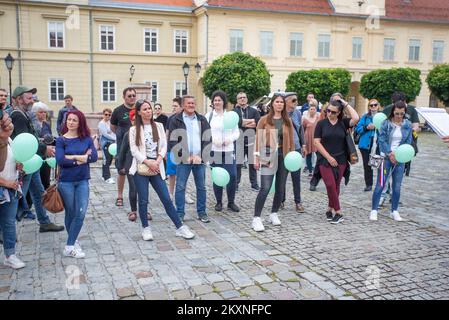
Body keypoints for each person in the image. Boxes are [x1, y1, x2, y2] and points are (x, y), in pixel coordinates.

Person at [129, 99, 195, 240]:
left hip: (157, 168)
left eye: (149, 108)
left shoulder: (158, 126)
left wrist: (158, 161)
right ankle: (145, 228)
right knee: (143, 200)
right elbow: (134, 150)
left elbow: (164, 145)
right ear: (139, 112)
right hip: (141, 168)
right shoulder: (134, 130)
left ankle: (180, 227)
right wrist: (148, 162)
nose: (148, 111)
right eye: (145, 109)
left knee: (166, 198)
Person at [10, 86, 64, 232]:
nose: (32, 101)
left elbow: (32, 137)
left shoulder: (23, 114)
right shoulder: (17, 115)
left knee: (39, 192)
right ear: (18, 99)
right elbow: (25, 141)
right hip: (26, 162)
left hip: (31, 162)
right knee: (18, 197)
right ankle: (6, 229)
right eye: (28, 98)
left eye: (32, 98)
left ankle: (44, 222)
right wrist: (44, 149)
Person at [56, 110, 98, 258]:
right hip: (66, 182)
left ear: (80, 122)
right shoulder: (61, 140)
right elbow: (61, 160)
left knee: (80, 212)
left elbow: (93, 157)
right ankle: (73, 242)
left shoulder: (86, 139)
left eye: (74, 120)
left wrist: (71, 157)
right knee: (71, 212)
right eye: (69, 120)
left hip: (82, 180)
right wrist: (80, 158)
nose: (71, 122)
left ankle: (69, 245)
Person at [251, 93, 295, 232]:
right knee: (265, 187)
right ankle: (256, 218)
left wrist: (292, 156)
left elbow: (292, 141)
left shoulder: (288, 121)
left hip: (284, 155)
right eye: (277, 102)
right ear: (272, 104)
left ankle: (274, 213)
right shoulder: (264, 120)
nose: (279, 104)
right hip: (268, 154)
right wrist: (256, 157)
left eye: (281, 102)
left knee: (280, 188)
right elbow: (258, 139)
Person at [314, 94, 359, 224]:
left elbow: (356, 118)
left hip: (341, 159)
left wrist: (345, 103)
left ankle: (329, 209)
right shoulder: (321, 124)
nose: (330, 113)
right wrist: (328, 157)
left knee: (336, 186)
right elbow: (317, 142)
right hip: (324, 160)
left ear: (339, 112)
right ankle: (338, 212)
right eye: (328, 110)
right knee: (329, 184)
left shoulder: (343, 123)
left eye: (333, 112)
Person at [168, 95, 212, 223]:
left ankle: (202, 212)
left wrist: (201, 156)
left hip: (199, 159)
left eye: (193, 103)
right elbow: (173, 140)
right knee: (181, 186)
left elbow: (208, 139)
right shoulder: (176, 120)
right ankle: (180, 213)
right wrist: (185, 156)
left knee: (201, 187)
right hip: (184, 160)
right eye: (189, 103)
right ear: (183, 105)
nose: (191, 105)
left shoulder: (202, 119)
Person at [370, 101, 413, 222]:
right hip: (386, 158)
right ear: (393, 112)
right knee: (381, 184)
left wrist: (398, 155)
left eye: (401, 114)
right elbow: (382, 140)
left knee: (397, 186)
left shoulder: (407, 124)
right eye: (397, 113)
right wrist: (390, 153)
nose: (399, 116)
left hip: (400, 159)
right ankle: (374, 210)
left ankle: (394, 211)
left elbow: (408, 142)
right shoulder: (386, 124)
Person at [205, 90, 240, 213]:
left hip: (229, 150)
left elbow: (237, 132)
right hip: (215, 151)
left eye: (219, 100)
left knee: (232, 175)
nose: (217, 102)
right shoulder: (208, 116)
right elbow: (205, 133)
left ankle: (231, 202)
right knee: (218, 176)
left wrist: (229, 139)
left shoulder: (230, 116)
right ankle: (219, 201)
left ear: (224, 102)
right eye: (215, 100)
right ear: (212, 102)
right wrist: (214, 140)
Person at [0, 107, 25, 269]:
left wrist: (19, 165)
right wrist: (6, 183)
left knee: (9, 223)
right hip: (5, 186)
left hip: (11, 189)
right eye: (6, 120)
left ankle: (10, 255)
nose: (9, 122)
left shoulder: (9, 140)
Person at [117, 109, 152, 222]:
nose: (134, 122)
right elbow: (122, 151)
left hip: (143, 163)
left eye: (135, 120)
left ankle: (144, 210)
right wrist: (120, 166)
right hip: (130, 164)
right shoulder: (129, 133)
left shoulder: (145, 132)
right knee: (133, 188)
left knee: (144, 189)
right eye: (132, 120)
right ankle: (133, 210)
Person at [382, 91, 420, 176]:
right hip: (389, 144)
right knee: (385, 172)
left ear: (405, 101)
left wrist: (409, 130)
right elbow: (380, 123)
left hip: (405, 143)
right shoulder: (388, 109)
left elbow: (416, 126)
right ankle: (387, 186)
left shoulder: (411, 109)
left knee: (399, 170)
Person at [110, 87, 136, 208]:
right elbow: (113, 127)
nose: (132, 97)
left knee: (137, 172)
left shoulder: (139, 109)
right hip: (123, 146)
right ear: (124, 97)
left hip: (137, 146)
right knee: (122, 171)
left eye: (133, 95)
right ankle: (119, 196)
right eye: (129, 95)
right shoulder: (118, 111)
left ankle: (137, 196)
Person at [280, 92, 306, 213]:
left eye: (296, 100)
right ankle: (281, 200)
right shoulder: (279, 113)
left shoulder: (297, 113)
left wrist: (303, 145)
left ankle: (298, 202)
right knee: (282, 177)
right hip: (284, 150)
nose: (296, 103)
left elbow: (300, 130)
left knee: (296, 178)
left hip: (296, 149)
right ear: (286, 101)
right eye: (293, 100)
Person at [234, 91, 260, 191]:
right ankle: (235, 184)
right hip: (239, 140)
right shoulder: (234, 112)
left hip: (251, 140)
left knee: (252, 163)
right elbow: (235, 123)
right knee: (238, 164)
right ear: (237, 100)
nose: (242, 99)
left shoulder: (254, 111)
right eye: (240, 98)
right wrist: (249, 121)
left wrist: (243, 123)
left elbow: (257, 123)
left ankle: (254, 184)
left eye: (244, 97)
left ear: (247, 99)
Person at [355, 99, 381, 192]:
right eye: (371, 105)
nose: (373, 107)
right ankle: (369, 184)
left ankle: (380, 184)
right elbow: (358, 128)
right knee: (367, 165)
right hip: (365, 145)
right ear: (369, 107)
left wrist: (378, 127)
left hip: (378, 144)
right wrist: (367, 127)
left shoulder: (382, 117)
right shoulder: (365, 117)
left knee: (379, 164)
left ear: (378, 105)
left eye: (375, 105)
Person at [98, 108, 116, 184]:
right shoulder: (101, 123)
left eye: (109, 115)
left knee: (109, 159)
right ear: (103, 114)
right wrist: (115, 138)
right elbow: (105, 134)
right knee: (106, 159)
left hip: (111, 144)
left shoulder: (110, 122)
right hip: (105, 143)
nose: (107, 116)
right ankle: (107, 177)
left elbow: (113, 131)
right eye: (106, 114)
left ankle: (103, 175)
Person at [302, 99, 320, 176]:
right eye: (311, 109)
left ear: (316, 110)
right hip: (308, 139)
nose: (312, 110)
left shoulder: (318, 117)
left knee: (319, 155)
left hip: (316, 139)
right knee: (308, 155)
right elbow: (302, 129)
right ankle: (310, 171)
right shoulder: (305, 118)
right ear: (309, 110)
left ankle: (318, 170)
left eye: (314, 109)